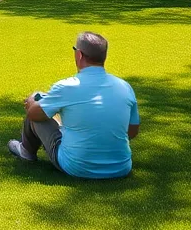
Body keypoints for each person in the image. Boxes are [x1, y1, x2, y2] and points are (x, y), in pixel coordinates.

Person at [8, 32, 140, 179]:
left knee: (38, 111)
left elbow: (33, 114)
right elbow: (132, 132)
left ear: (79, 55)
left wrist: (33, 98)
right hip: (120, 167)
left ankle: (26, 151)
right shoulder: (124, 87)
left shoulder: (67, 86)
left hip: (77, 166)